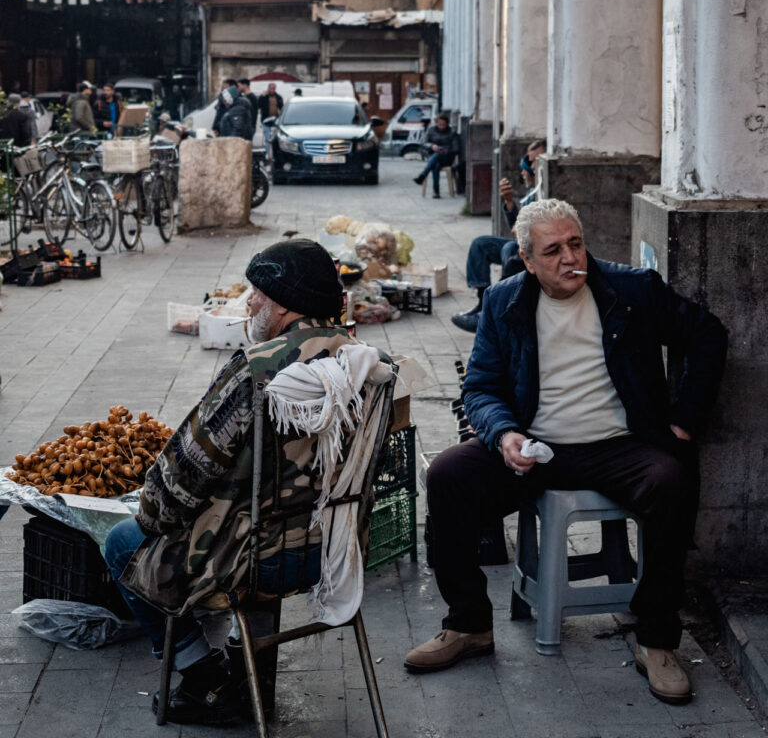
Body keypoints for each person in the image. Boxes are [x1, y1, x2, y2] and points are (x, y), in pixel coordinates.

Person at [404, 198, 727, 707]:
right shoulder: (504, 302)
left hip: (620, 446)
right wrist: (505, 434)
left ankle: (657, 638)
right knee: (447, 475)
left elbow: (708, 335)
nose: (568, 258)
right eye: (552, 250)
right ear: (527, 260)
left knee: (672, 482)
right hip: (537, 446)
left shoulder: (632, 290)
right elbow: (482, 387)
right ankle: (467, 624)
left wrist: (685, 420)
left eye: (575, 244)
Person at [105, 240, 366, 726]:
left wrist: (151, 518)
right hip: (334, 549)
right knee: (250, 526)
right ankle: (243, 669)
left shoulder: (259, 368)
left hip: (254, 559)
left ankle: (206, 676)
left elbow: (180, 476)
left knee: (122, 542)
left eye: (257, 294)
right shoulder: (364, 363)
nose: (249, 303)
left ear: (285, 304)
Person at [452, 139, 546, 333]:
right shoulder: (531, 192)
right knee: (481, 244)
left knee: (510, 249)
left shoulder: (545, 192)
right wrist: (510, 203)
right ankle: (483, 305)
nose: (528, 168)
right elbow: (516, 227)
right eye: (530, 162)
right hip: (524, 245)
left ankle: (496, 311)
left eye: (535, 162)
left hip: (539, 251)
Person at [413, 113, 460, 198]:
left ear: (447, 124)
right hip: (434, 157)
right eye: (439, 124)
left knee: (437, 155)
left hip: (447, 158)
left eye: (444, 125)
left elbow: (456, 149)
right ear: (436, 123)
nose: (441, 126)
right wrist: (431, 146)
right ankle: (436, 192)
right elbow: (423, 143)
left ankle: (423, 174)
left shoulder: (452, 132)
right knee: (436, 164)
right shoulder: (431, 130)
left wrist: (445, 150)